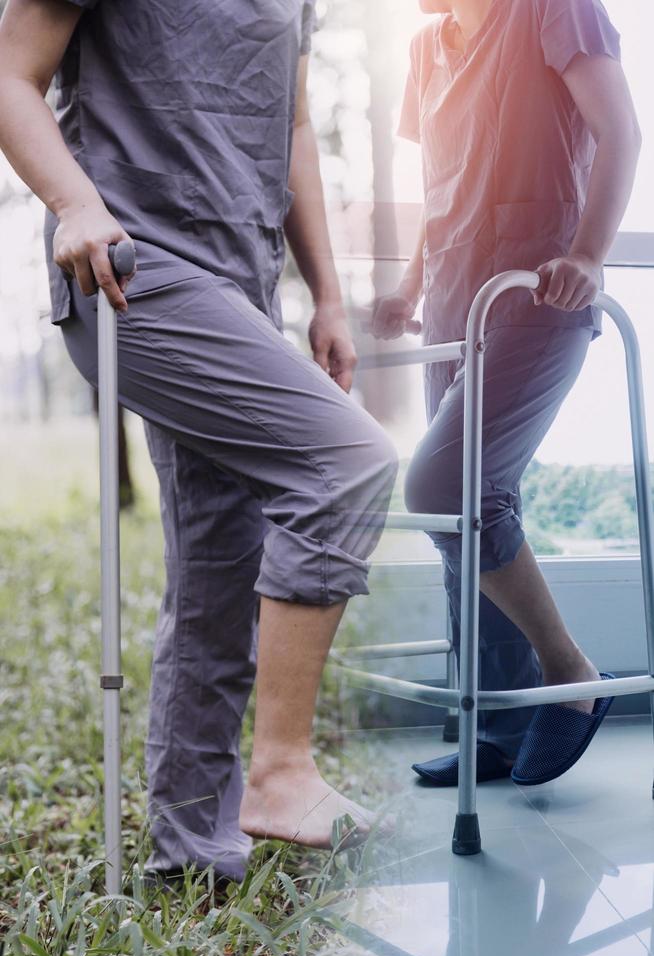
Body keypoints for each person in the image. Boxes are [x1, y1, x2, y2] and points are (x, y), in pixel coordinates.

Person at [0, 0, 399, 881]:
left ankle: (189, 852)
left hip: (240, 285)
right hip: (128, 270)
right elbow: (10, 74)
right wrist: (73, 203)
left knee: (221, 558)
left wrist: (326, 295)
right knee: (349, 460)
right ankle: (281, 771)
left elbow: (293, 128)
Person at [371, 0, 641, 785]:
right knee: (467, 514)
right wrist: (410, 285)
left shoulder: (553, 8)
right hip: (455, 311)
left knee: (446, 486)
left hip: (538, 295)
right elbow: (440, 187)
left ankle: (569, 676)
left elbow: (620, 128)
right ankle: (496, 725)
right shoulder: (426, 46)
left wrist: (589, 254)